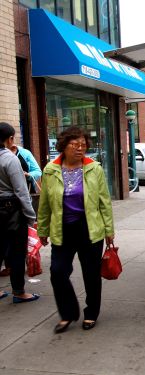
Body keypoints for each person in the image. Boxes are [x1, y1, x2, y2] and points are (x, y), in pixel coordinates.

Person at [37, 126, 115, 333]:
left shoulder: (94, 168)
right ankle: (68, 313)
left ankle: (91, 313)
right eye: (75, 145)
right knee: (58, 272)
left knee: (91, 274)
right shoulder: (50, 170)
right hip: (62, 229)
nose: (80, 149)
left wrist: (109, 230)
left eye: (83, 145)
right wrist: (42, 230)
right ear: (64, 146)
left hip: (89, 228)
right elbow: (44, 204)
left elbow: (104, 201)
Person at [0, 122, 39, 303]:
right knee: (17, 251)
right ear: (10, 139)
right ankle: (19, 291)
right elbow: (21, 191)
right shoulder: (10, 159)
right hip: (11, 210)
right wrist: (31, 216)